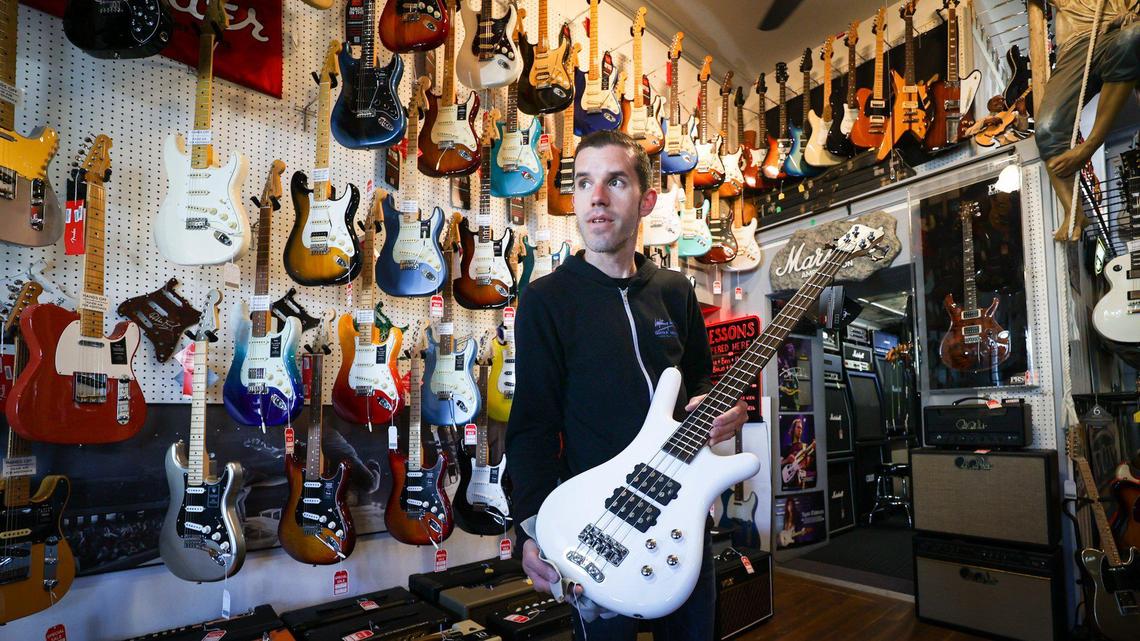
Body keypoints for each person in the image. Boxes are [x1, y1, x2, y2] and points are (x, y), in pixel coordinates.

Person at [505, 130, 748, 641]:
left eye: (615, 181)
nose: (596, 197)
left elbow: (699, 380)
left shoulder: (675, 291)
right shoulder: (546, 300)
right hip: (600, 529)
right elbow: (531, 426)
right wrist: (530, 528)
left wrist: (722, 407)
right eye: (583, 183)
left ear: (647, 201)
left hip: (683, 517)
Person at [1034, 0, 1138, 240]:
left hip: (1114, 33)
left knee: (1133, 36)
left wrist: (1131, 17)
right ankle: (1073, 213)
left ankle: (1090, 146)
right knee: (1047, 129)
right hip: (1074, 48)